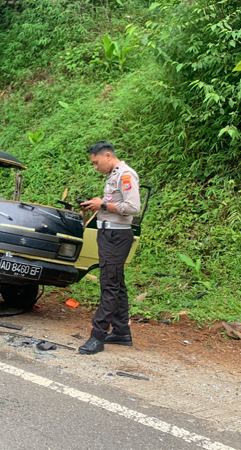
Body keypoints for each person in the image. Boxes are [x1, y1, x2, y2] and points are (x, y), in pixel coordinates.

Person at [79, 141, 141, 355]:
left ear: (107, 155)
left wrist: (102, 205)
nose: (96, 167)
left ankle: (98, 336)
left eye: (96, 163)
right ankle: (122, 332)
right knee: (117, 283)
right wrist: (97, 204)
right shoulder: (114, 175)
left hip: (117, 235)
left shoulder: (125, 175)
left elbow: (133, 207)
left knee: (109, 286)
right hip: (108, 233)